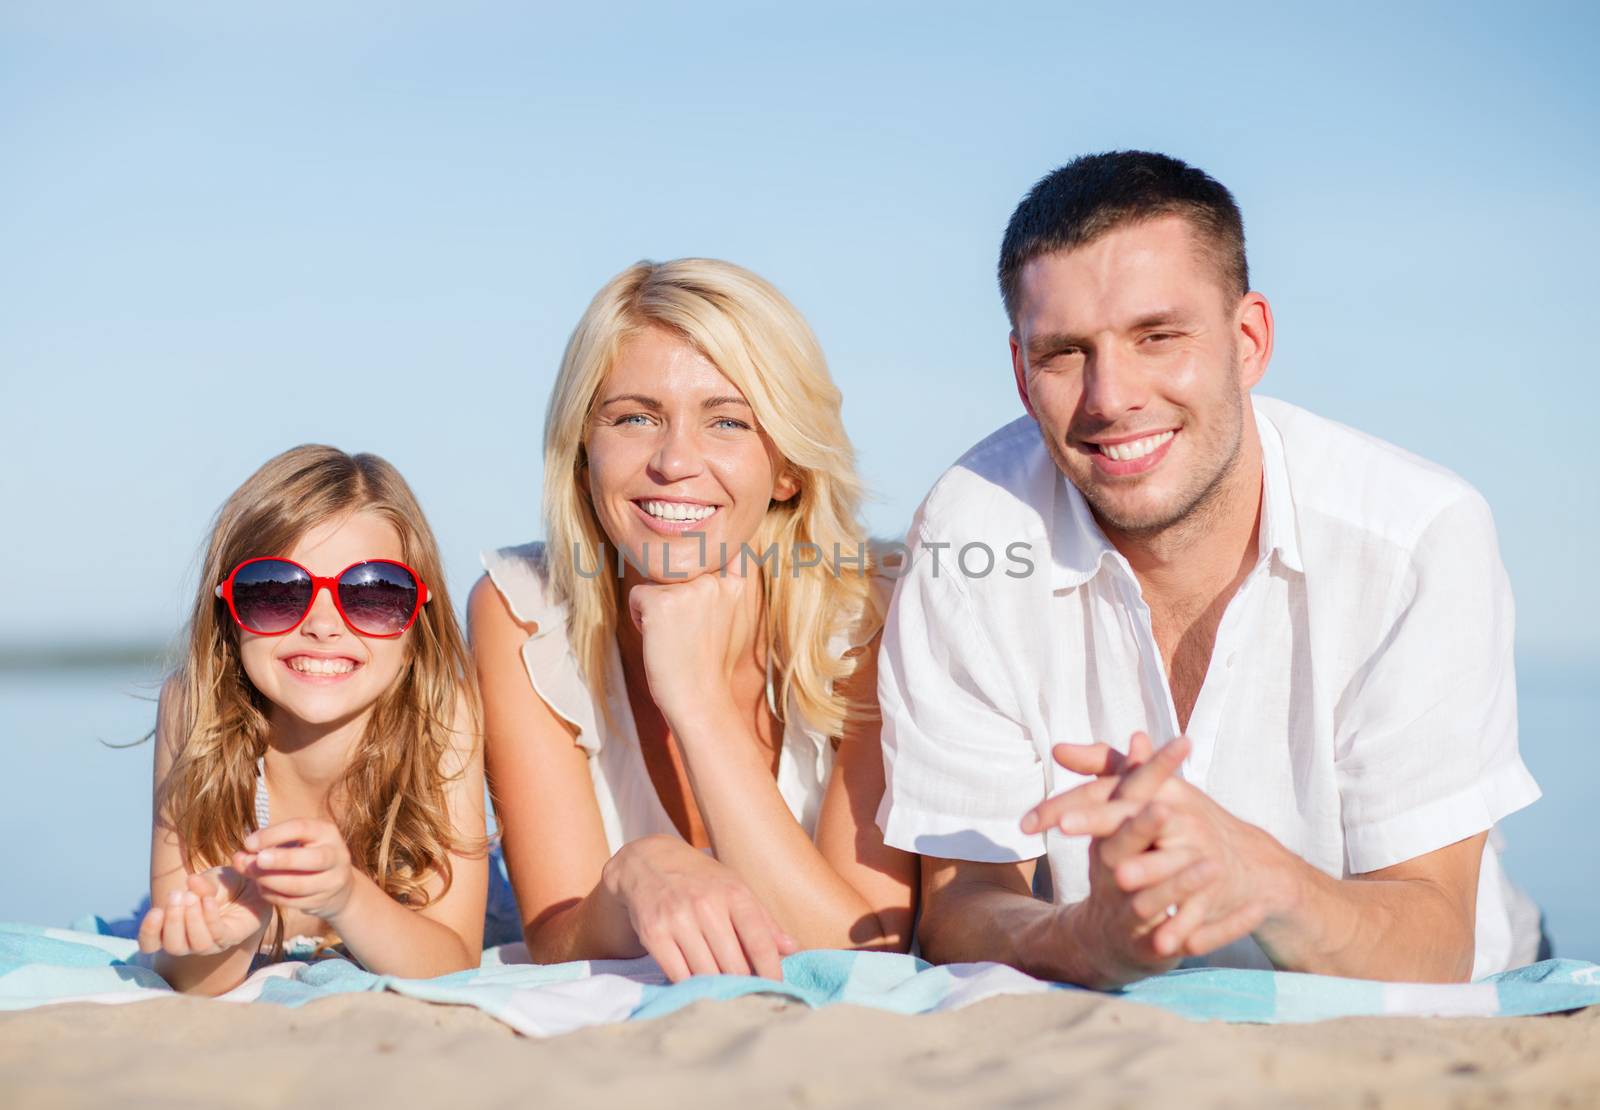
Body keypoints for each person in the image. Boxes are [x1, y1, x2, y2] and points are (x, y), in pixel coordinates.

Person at [876, 151, 1542, 987]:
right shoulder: (965, 534)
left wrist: (1262, 877)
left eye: (1158, 336)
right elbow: (962, 901)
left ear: (1249, 338)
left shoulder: (1415, 534)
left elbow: (1436, 939)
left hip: (1456, 994)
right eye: (1065, 354)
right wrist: (1081, 939)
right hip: (1128, 1004)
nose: (1111, 396)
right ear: (1020, 372)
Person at [471, 258, 915, 982]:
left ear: (788, 469)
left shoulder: (874, 612)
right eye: (635, 418)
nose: (675, 461)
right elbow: (555, 939)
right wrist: (637, 874)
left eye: (728, 421)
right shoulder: (521, 608)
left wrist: (698, 704)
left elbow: (861, 955)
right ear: (585, 449)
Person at [135, 445, 488, 996]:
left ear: (417, 622)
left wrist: (347, 896)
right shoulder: (195, 708)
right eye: (275, 591)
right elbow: (188, 979)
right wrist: (233, 936)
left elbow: (455, 961)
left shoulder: (441, 717)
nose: (323, 625)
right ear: (227, 608)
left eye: (373, 593)